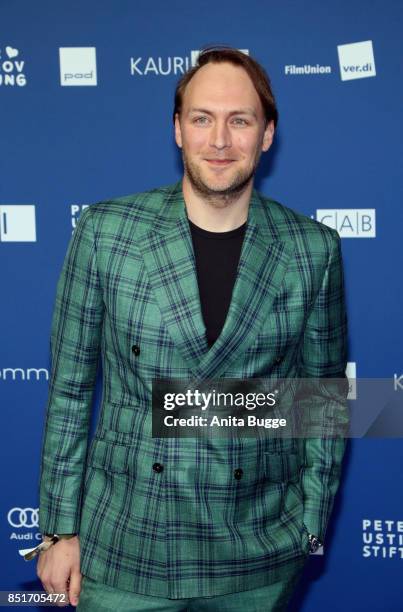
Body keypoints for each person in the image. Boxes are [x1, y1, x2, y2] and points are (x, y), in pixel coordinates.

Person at [32, 46, 349, 610]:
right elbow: (71, 392)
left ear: (268, 134)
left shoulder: (311, 249)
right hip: (126, 546)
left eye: (240, 120)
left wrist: (309, 522)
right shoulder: (107, 233)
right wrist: (58, 530)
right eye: (202, 119)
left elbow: (321, 399)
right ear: (177, 129)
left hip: (257, 552)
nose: (220, 141)